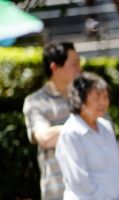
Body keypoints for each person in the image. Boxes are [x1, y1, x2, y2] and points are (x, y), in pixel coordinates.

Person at [55, 72, 119, 199]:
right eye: (97, 97)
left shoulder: (106, 127)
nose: (103, 102)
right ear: (80, 99)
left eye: (105, 96)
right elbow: (79, 181)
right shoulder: (70, 134)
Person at [22, 42, 81, 200]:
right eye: (74, 64)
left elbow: (103, 130)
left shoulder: (85, 97)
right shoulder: (35, 101)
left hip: (92, 191)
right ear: (54, 67)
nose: (79, 68)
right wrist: (85, 127)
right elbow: (46, 138)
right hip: (58, 194)